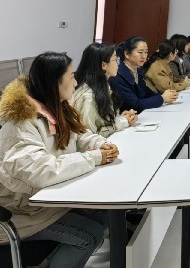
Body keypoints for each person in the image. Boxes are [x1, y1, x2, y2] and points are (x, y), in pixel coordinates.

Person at [0, 52, 119, 268]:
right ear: (54, 82)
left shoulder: (57, 107)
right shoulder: (21, 122)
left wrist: (100, 144)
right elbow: (37, 171)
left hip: (43, 204)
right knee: (89, 234)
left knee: (101, 218)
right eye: (71, 77)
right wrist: (93, 158)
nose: (76, 82)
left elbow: (80, 135)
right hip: (21, 212)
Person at [73, 42, 138, 137]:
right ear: (104, 65)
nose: (118, 64)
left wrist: (120, 117)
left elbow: (102, 123)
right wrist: (121, 122)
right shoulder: (88, 97)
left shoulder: (104, 86)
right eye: (115, 59)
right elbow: (88, 137)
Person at [109, 36, 178, 113]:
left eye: (146, 52)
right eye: (140, 52)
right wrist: (162, 98)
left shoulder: (137, 71)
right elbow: (134, 104)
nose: (144, 56)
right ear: (127, 54)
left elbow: (147, 93)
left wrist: (167, 95)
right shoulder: (117, 75)